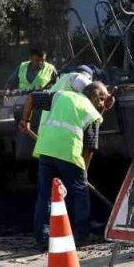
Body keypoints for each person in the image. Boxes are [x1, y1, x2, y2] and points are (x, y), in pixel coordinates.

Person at [19, 81, 115, 248]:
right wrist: (83, 175)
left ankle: (42, 239)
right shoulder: (92, 113)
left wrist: (25, 120)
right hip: (68, 153)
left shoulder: (61, 95)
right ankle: (82, 235)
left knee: (45, 195)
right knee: (80, 193)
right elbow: (89, 149)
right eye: (101, 99)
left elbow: (32, 98)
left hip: (46, 150)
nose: (102, 104)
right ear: (92, 95)